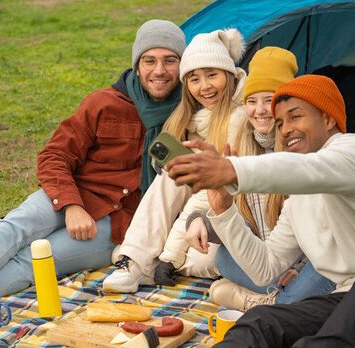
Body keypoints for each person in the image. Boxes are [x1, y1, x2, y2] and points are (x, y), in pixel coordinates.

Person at [0, 19, 187, 325]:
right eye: (149, 60)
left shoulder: (189, 116)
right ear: (137, 65)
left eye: (169, 61)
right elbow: (55, 155)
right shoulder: (103, 103)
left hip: (121, 223)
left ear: (182, 64)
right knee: (16, 226)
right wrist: (71, 205)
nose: (159, 70)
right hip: (72, 192)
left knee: (34, 261)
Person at [166, 74, 355, 348]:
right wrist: (224, 209)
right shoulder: (299, 200)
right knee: (262, 321)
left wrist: (232, 169)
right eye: (280, 122)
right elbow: (266, 268)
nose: (284, 130)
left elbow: (310, 169)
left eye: (295, 117)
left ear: (329, 119)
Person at [184, 47, 335, 311]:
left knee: (302, 291)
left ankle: (259, 301)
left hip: (313, 259)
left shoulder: (301, 148)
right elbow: (246, 225)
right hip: (267, 262)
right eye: (252, 101)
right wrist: (200, 220)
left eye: (270, 100)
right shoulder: (242, 144)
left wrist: (299, 268)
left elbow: (326, 230)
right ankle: (285, 300)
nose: (260, 110)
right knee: (222, 258)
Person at [102, 28, 247, 293]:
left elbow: (209, 195)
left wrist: (171, 256)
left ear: (228, 74)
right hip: (205, 214)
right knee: (173, 169)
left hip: (237, 214)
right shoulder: (195, 118)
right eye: (194, 79)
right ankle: (137, 260)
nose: (204, 87)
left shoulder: (238, 119)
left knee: (203, 259)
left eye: (212, 75)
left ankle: (145, 259)